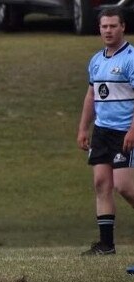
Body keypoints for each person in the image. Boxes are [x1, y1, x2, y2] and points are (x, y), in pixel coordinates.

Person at [77, 8, 134, 259]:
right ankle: (106, 245)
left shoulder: (131, 58)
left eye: (113, 26)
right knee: (101, 184)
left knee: (125, 187)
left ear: (123, 27)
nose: (108, 31)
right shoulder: (96, 60)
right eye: (104, 27)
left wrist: (132, 129)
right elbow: (91, 96)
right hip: (102, 131)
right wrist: (82, 128)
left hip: (125, 132)